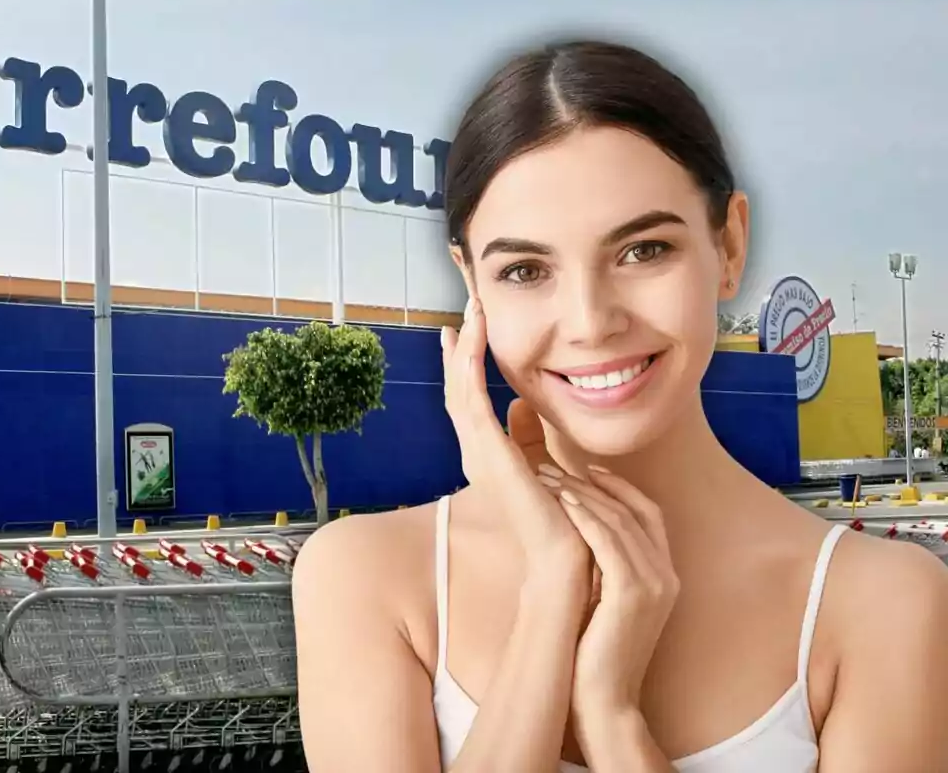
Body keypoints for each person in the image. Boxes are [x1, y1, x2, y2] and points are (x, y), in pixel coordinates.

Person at [292, 38, 948, 772]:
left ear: (729, 244)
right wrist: (551, 591)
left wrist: (612, 715)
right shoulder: (368, 577)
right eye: (525, 269)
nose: (591, 320)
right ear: (471, 285)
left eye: (643, 251)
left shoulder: (881, 603)